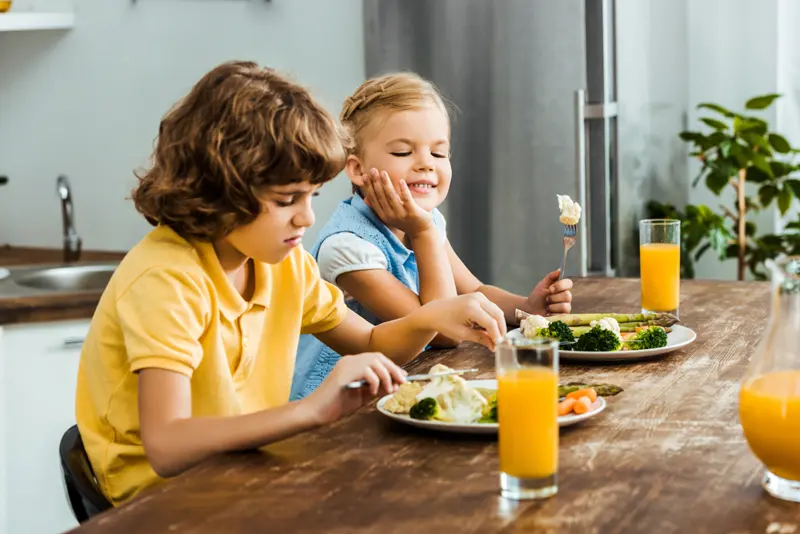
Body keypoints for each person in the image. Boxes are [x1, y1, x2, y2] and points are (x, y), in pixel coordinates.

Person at [74, 61, 507, 506]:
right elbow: (167, 447)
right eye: (286, 200)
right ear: (221, 188)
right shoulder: (167, 278)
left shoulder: (283, 264)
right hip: (160, 502)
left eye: (311, 195)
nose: (307, 217)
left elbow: (372, 341)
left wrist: (430, 317)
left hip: (243, 471)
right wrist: (308, 410)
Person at [292, 72, 572, 399]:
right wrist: (423, 233)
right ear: (357, 170)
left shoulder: (426, 222)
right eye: (402, 152)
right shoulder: (347, 247)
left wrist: (525, 308)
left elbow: (474, 290)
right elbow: (441, 331)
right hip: (340, 409)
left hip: (404, 388)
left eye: (438, 154)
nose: (425, 165)